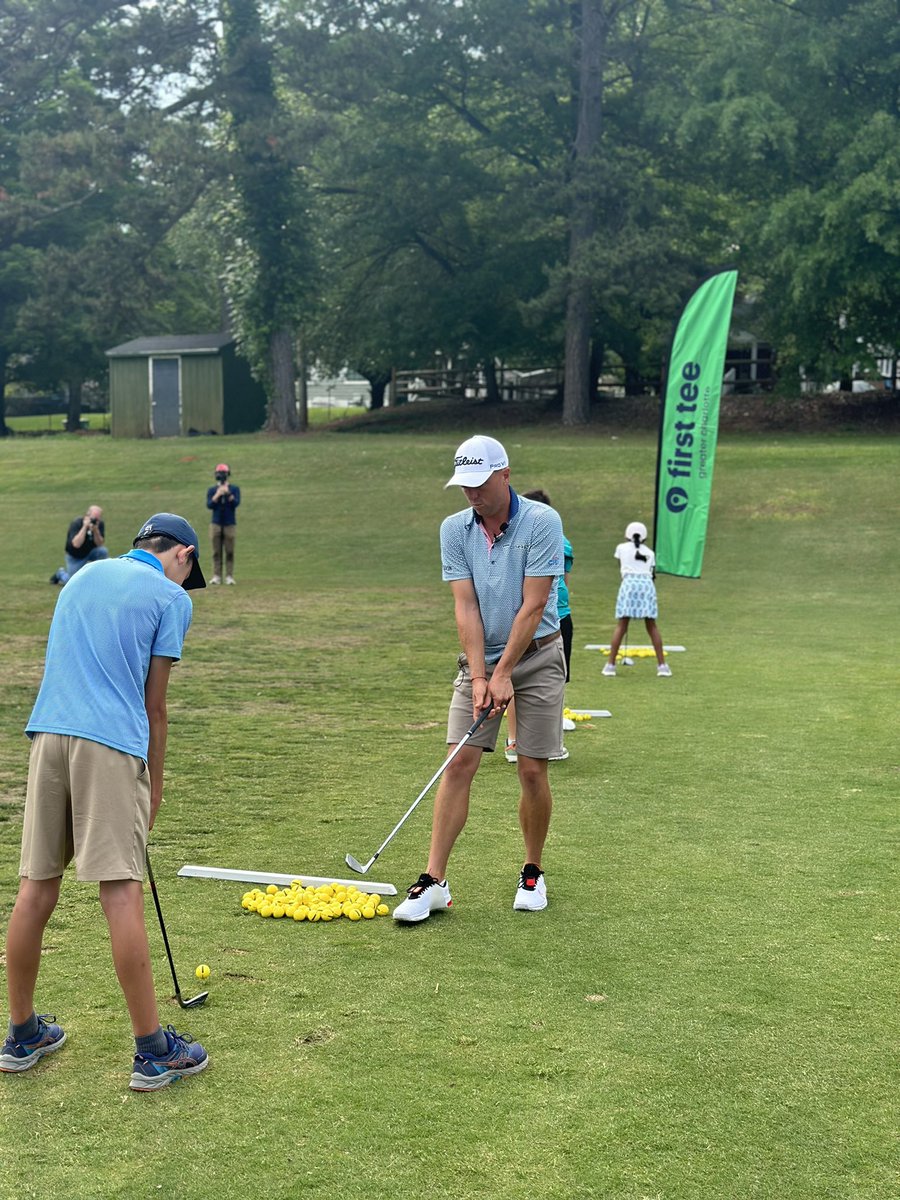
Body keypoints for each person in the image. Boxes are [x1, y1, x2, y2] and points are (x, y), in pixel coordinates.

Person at [2, 513, 210, 1092]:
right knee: (120, 891)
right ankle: (152, 1051)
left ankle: (20, 1035)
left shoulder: (84, 575)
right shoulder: (172, 598)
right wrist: (156, 783)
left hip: (47, 738)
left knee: (35, 887)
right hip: (111, 747)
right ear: (183, 555)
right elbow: (156, 705)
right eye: (187, 572)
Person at [392, 436, 566, 924]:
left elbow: (534, 604)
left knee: (531, 768)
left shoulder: (542, 522)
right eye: (463, 485)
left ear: (504, 474)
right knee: (458, 761)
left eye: (479, 483)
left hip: (537, 654)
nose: (471, 494)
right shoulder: (454, 529)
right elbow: (465, 605)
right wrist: (481, 673)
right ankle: (434, 881)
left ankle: (532, 870)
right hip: (480, 660)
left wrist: (506, 672)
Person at [505, 488, 573, 763]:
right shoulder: (559, 539)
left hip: (541, 615)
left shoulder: (519, 534)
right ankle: (519, 743)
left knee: (518, 677)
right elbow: (564, 581)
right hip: (550, 618)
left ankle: (517, 742)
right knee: (518, 677)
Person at [602, 521, 672, 677]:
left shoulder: (621, 548)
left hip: (628, 584)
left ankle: (610, 665)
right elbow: (650, 572)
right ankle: (662, 666)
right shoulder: (650, 553)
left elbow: (621, 566)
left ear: (627, 535)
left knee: (622, 624)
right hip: (646, 584)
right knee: (651, 624)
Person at [50, 505, 109, 584]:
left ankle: (98, 576)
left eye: (97, 519)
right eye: (93, 519)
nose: (95, 521)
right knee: (73, 582)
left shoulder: (99, 524)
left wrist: (95, 530)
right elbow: (76, 544)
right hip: (76, 557)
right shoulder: (77, 523)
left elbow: (99, 544)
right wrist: (85, 527)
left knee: (103, 551)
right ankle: (60, 573)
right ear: (87, 515)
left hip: (90, 552)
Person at [206, 463, 240, 585]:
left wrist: (228, 494)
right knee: (216, 551)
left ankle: (229, 576)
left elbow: (236, 503)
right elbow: (209, 505)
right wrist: (218, 494)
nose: (221, 476)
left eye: (223, 473)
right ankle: (216, 576)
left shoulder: (234, 489)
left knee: (229, 551)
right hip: (216, 524)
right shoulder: (212, 490)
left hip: (229, 524)